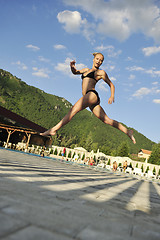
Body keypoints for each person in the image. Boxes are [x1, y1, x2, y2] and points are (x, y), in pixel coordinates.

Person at [40, 53, 136, 144]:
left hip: (91, 95)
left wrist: (112, 95)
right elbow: (75, 72)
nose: (99, 61)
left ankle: (53, 129)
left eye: (101, 60)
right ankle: (128, 132)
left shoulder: (100, 72)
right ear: (93, 59)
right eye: (97, 59)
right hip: (89, 98)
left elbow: (111, 84)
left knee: (72, 111)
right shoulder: (86, 70)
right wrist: (72, 67)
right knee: (106, 120)